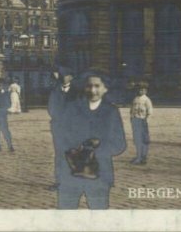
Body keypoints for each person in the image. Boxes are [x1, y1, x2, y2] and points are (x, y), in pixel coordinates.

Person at [57, 71, 126, 210]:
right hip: (71, 172)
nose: (93, 90)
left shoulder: (111, 111)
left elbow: (119, 143)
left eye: (97, 86)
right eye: (89, 86)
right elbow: (61, 135)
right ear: (84, 88)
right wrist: (76, 150)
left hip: (100, 175)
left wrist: (96, 152)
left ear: (105, 88)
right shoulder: (71, 108)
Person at [48, 66, 75, 190]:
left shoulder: (77, 92)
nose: (62, 77)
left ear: (70, 77)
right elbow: (51, 108)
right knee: (59, 154)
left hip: (73, 128)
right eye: (61, 75)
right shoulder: (55, 91)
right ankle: (59, 181)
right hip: (58, 127)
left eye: (65, 75)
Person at [130, 81, 153, 165]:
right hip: (135, 121)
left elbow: (150, 111)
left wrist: (146, 121)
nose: (140, 91)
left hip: (143, 121)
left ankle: (143, 157)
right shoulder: (135, 99)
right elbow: (132, 110)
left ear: (145, 91)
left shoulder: (147, 100)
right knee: (137, 140)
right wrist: (132, 119)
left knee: (144, 140)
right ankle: (138, 156)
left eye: (142, 90)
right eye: (139, 90)